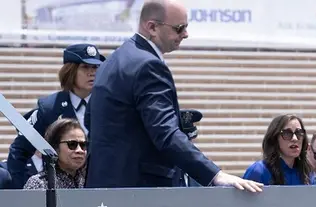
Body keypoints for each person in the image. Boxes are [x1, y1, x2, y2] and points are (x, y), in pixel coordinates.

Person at [85, 0, 260, 192]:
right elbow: (166, 134)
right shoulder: (148, 65)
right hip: (140, 192)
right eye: (179, 28)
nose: (185, 34)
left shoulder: (112, 61)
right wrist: (215, 175)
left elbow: (89, 120)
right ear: (152, 27)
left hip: (104, 186)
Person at [6, 43, 104, 189]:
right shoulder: (51, 107)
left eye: (95, 67)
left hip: (100, 192)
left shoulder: (107, 106)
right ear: (70, 71)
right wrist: (21, 193)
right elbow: (19, 151)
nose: (92, 73)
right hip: (59, 192)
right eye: (85, 67)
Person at [242, 114, 316, 186]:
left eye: (299, 133)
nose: (295, 139)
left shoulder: (307, 173)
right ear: (274, 138)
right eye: (287, 133)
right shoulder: (258, 170)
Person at [23, 118, 88, 190]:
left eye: (83, 145)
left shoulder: (89, 182)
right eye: (72, 144)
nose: (79, 150)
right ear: (54, 147)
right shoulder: (40, 184)